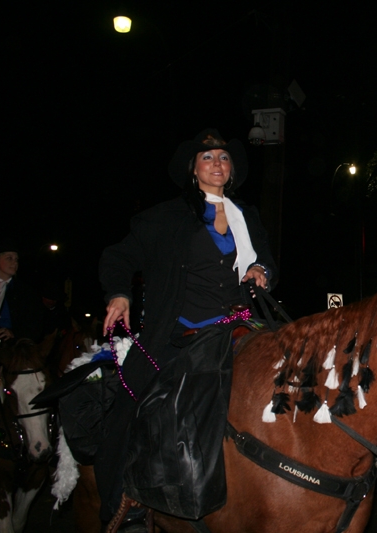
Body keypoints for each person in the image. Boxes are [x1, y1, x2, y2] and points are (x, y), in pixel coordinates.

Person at [96, 128, 277, 525]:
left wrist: (262, 269)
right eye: (208, 158)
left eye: (224, 158)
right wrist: (119, 293)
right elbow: (118, 257)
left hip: (242, 325)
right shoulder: (165, 217)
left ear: (232, 171)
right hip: (183, 332)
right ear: (193, 169)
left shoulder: (248, 216)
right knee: (136, 407)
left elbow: (265, 259)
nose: (217, 164)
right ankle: (126, 500)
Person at [0, 245, 44, 343]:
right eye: (9, 258)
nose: (15, 263)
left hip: (13, 348)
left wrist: (14, 333)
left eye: (16, 259)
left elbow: (36, 324)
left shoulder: (26, 292)